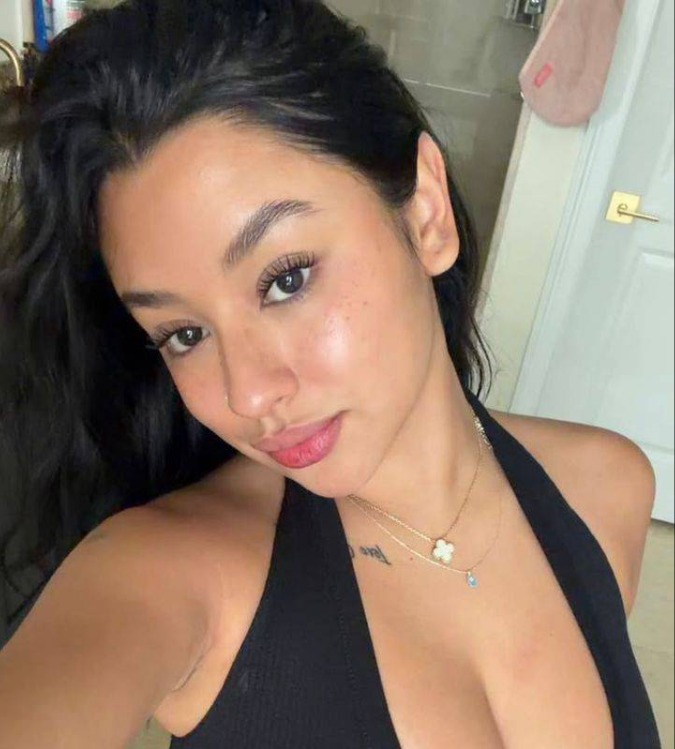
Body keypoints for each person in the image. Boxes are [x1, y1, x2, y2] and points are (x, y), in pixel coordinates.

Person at [0, 1, 661, 746]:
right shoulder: (167, 573)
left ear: (426, 214)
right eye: (184, 334)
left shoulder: (604, 489)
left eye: (286, 279)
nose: (248, 394)